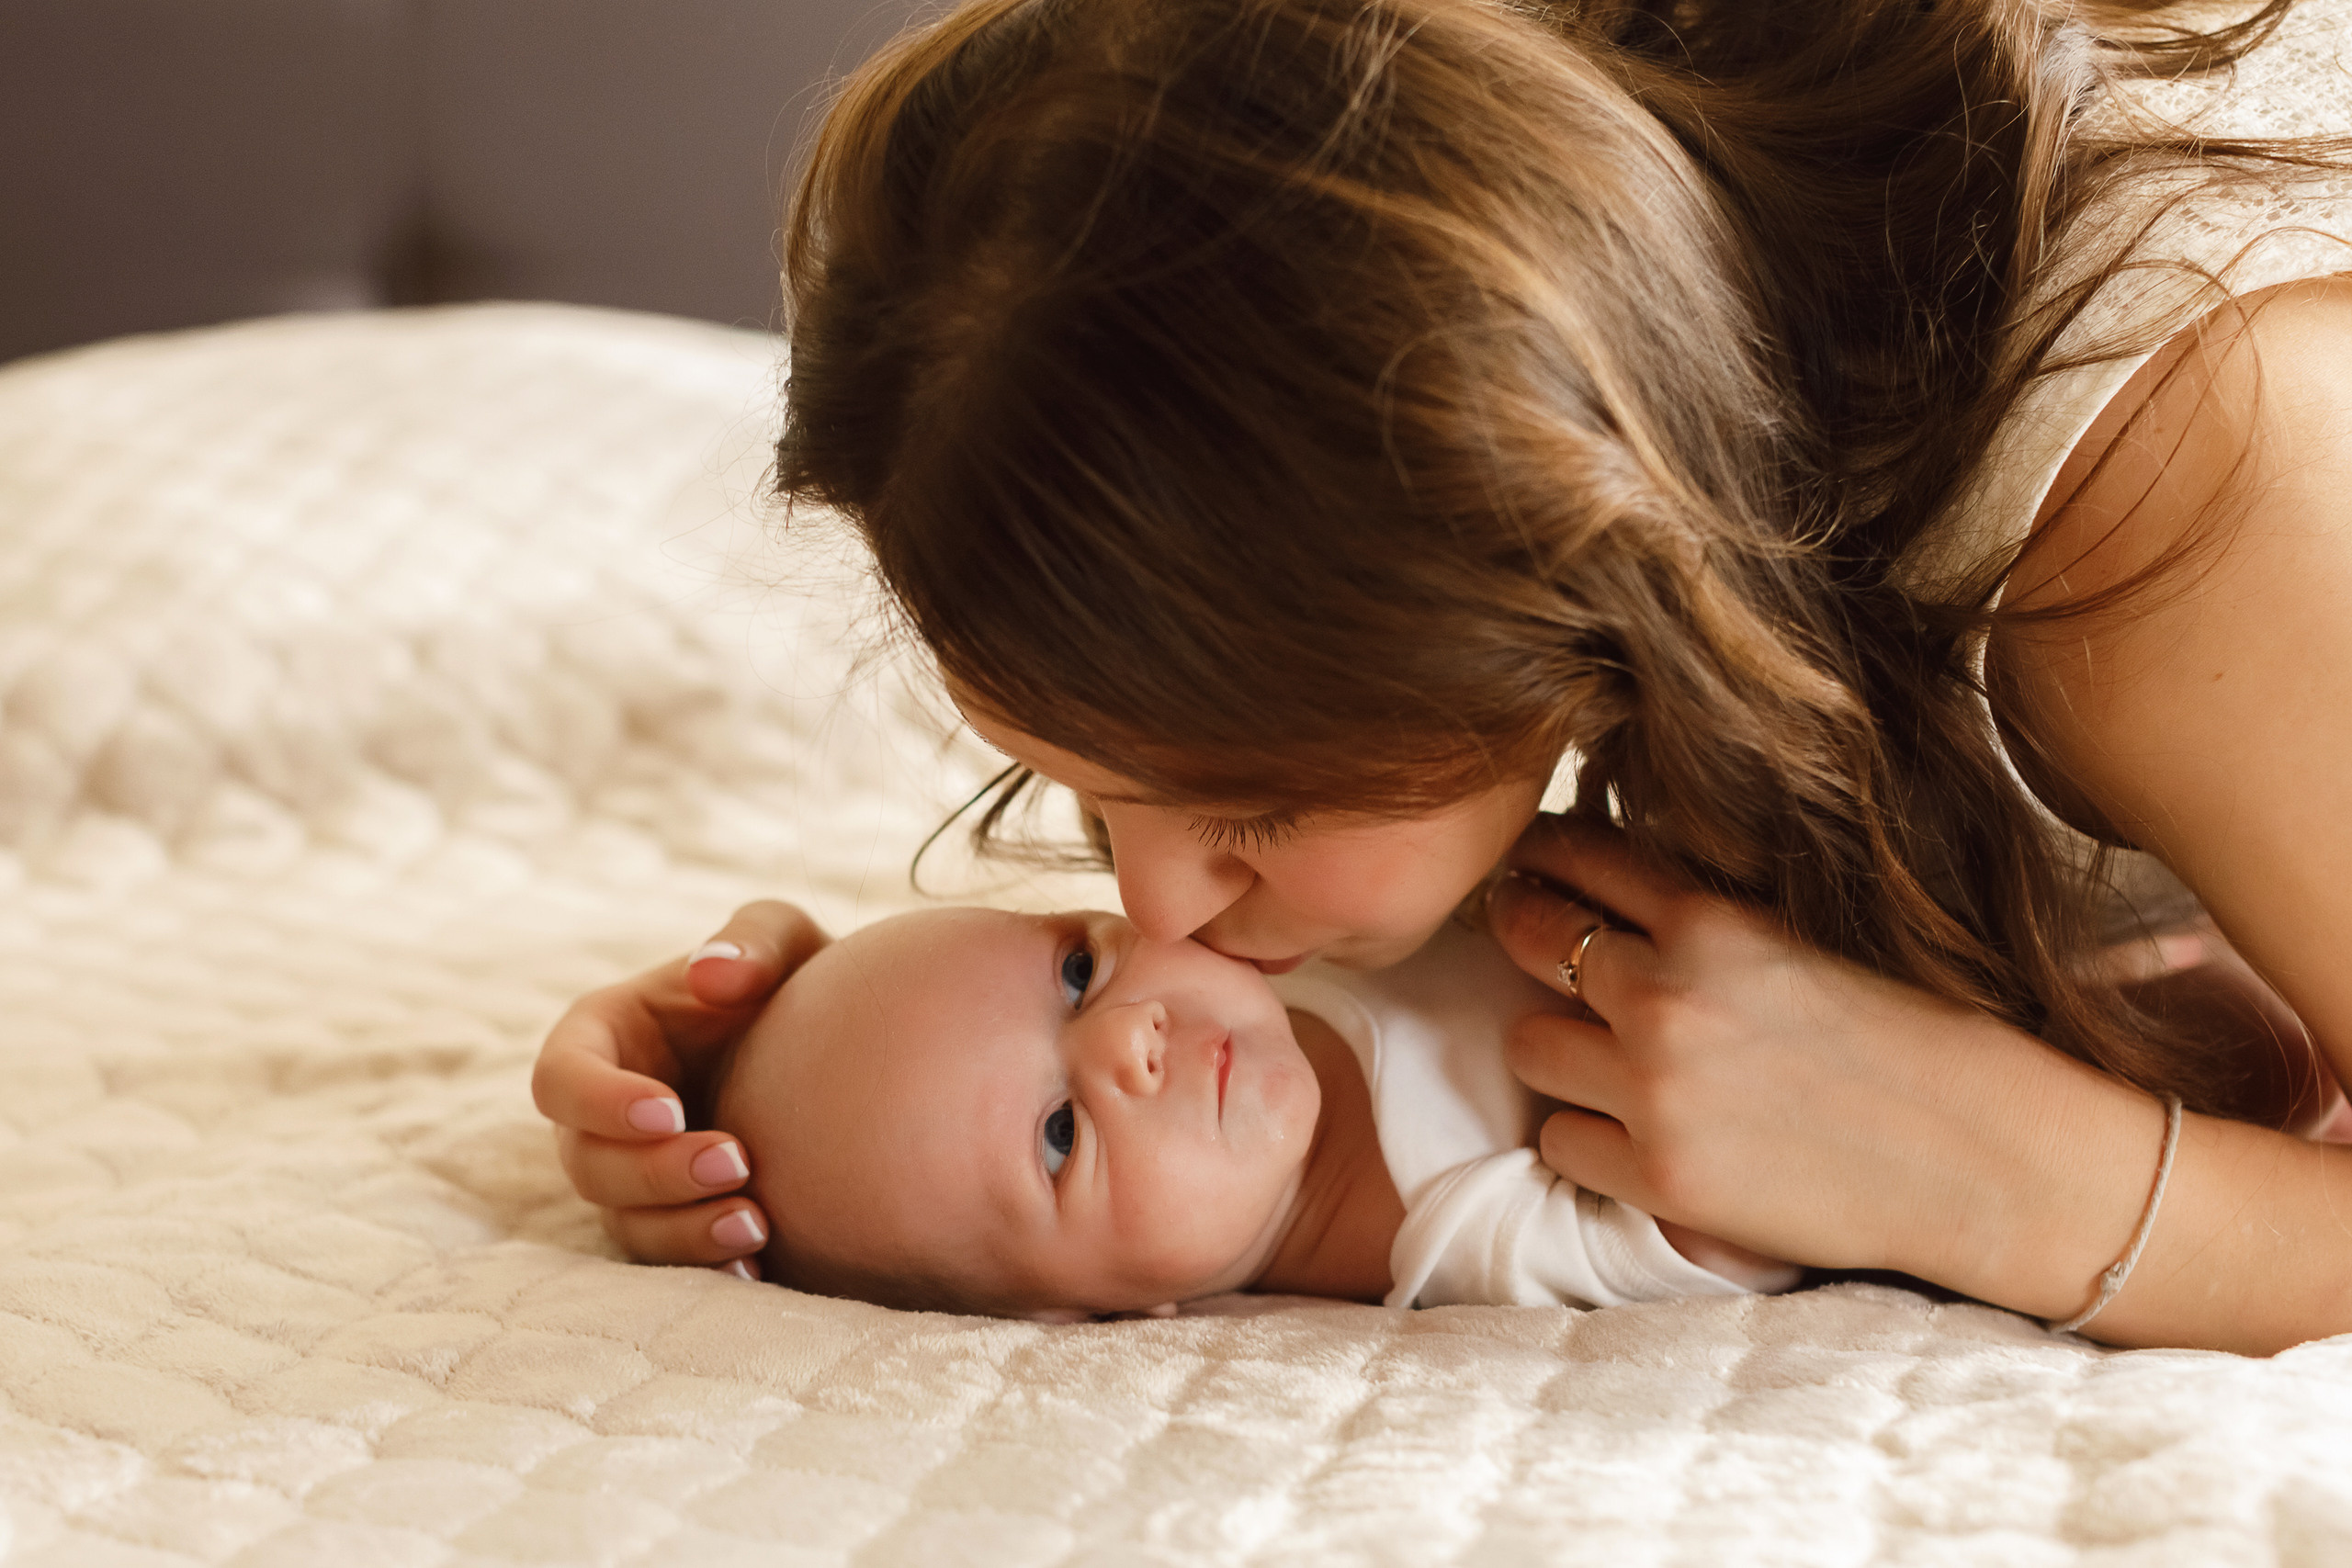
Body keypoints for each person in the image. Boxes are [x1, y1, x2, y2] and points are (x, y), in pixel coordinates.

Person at [532, 0, 2352, 1354]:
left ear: (1543, 547)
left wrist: (1975, 1160)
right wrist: (809, 1082)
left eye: (1253, 797)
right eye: (1096, 790)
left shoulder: (2184, 489)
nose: (1161, 905)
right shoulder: (1492, 174)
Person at [702, 903, 1794, 1318]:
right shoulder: (1473, 1231)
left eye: (1079, 972)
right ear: (1083, 1318)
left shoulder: (1271, 928)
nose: (1128, 1036)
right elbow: (1743, 1210)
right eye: (1060, 1136)